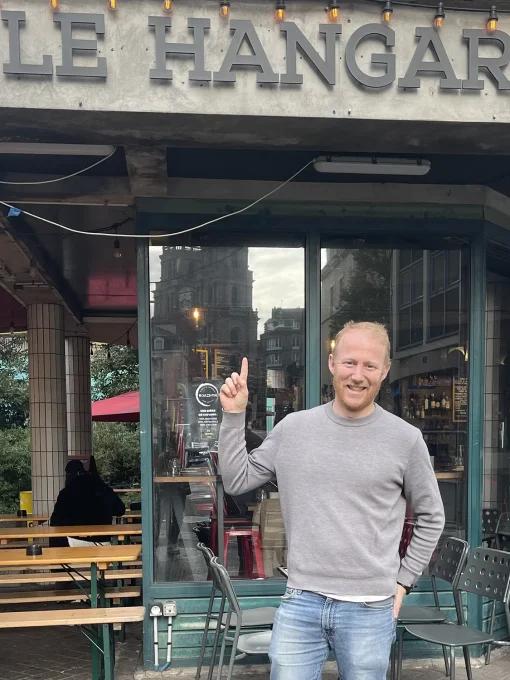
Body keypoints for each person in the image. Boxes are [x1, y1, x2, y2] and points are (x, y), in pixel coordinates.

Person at [218, 321, 445, 680]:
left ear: (385, 371)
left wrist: (404, 582)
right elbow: (236, 480)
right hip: (301, 601)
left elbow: (433, 516)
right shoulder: (293, 429)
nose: (358, 375)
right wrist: (233, 415)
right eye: (349, 362)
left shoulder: (405, 439)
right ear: (332, 363)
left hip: (370, 608)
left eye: (370, 365)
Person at [50, 458, 125, 546]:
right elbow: (120, 510)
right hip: (101, 542)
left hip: (73, 542)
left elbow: (54, 521)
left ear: (69, 475)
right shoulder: (102, 488)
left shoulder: (66, 492)